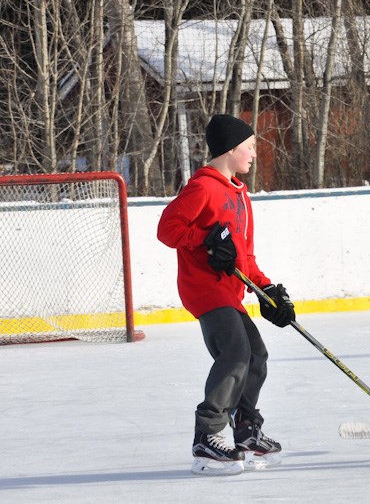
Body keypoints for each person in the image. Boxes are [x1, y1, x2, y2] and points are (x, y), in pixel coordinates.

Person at [158, 114, 296, 475]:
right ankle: (208, 433)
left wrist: (266, 289)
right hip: (205, 289)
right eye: (249, 147)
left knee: (257, 355)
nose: (253, 154)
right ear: (231, 149)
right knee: (235, 353)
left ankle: (246, 429)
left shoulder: (240, 196)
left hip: (230, 291)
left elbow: (244, 257)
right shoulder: (202, 187)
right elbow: (167, 229)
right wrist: (203, 241)